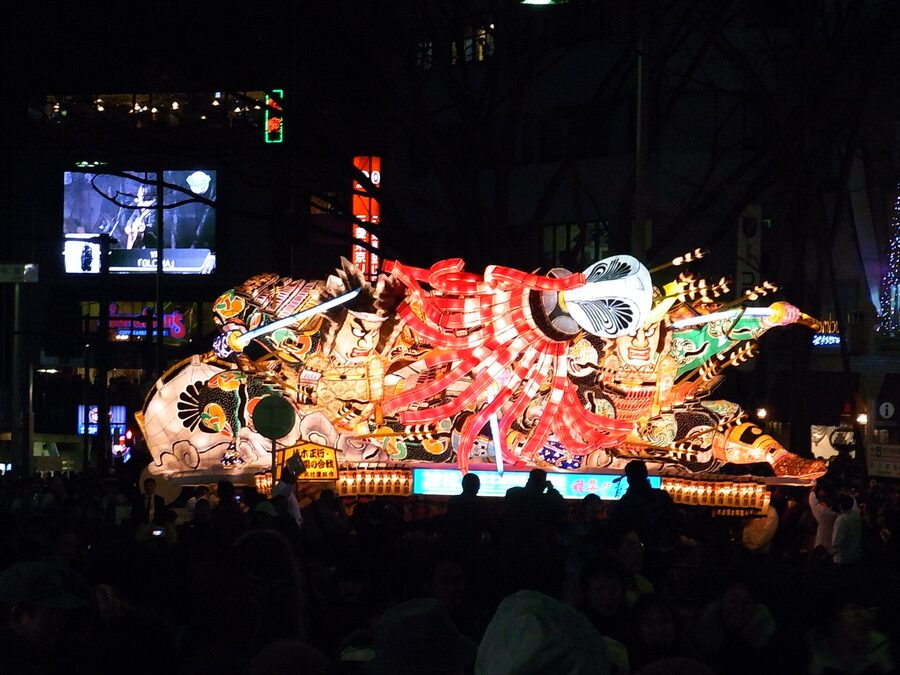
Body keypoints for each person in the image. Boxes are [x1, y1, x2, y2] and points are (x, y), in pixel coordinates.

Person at [607, 460, 680, 591]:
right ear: (646, 475)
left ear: (629, 479)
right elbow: (675, 522)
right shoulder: (661, 497)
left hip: (639, 559)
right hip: (665, 554)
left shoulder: (626, 503)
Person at [500, 468, 569, 597]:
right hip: (539, 554)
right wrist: (552, 489)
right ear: (543, 483)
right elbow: (563, 508)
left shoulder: (513, 494)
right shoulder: (546, 501)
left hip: (513, 552)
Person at [831, 492, 862, 568]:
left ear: (840, 505)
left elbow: (837, 541)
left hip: (842, 558)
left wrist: (829, 554)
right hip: (855, 555)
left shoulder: (841, 519)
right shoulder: (857, 516)